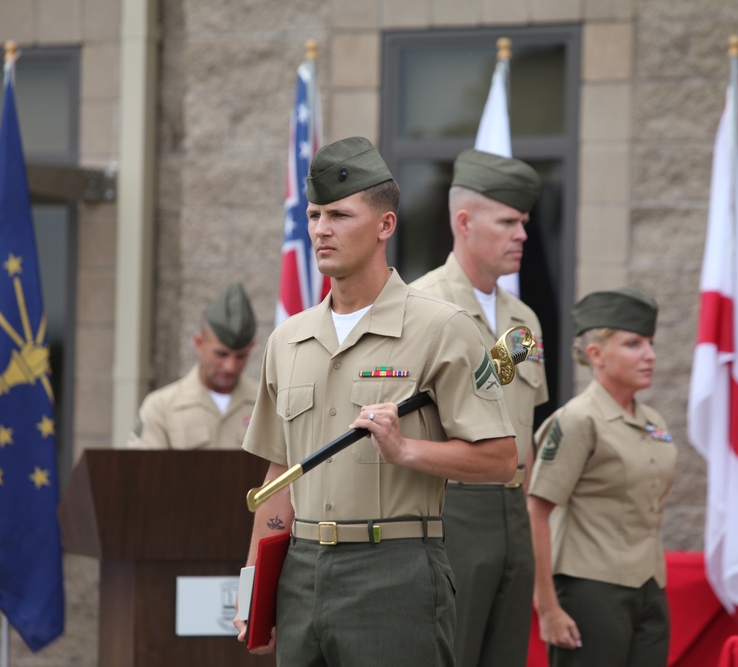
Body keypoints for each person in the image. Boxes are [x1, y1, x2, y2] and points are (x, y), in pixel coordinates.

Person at [234, 136, 518, 666]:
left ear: (385, 225)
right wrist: (256, 587)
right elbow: (278, 475)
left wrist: (406, 450)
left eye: (339, 215)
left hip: (396, 572)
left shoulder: (442, 328)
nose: (321, 229)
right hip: (301, 570)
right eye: (316, 214)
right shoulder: (287, 340)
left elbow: (500, 459)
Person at [411, 148, 548, 667]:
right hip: (453, 510)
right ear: (464, 222)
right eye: (509, 221)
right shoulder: (421, 309)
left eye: (525, 223)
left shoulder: (524, 321)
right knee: (451, 652)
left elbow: (525, 427)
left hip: (513, 511)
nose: (522, 235)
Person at [527, 287, 677, 667]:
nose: (650, 355)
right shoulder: (578, 420)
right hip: (590, 591)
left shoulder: (653, 422)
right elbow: (535, 511)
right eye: (634, 344)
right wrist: (547, 607)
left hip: (649, 588)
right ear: (596, 354)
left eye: (651, 343)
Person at [125, 282, 258, 450]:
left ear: (252, 347)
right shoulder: (161, 407)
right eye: (221, 354)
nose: (230, 366)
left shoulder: (266, 405)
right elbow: (144, 471)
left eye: (241, 356)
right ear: (199, 343)